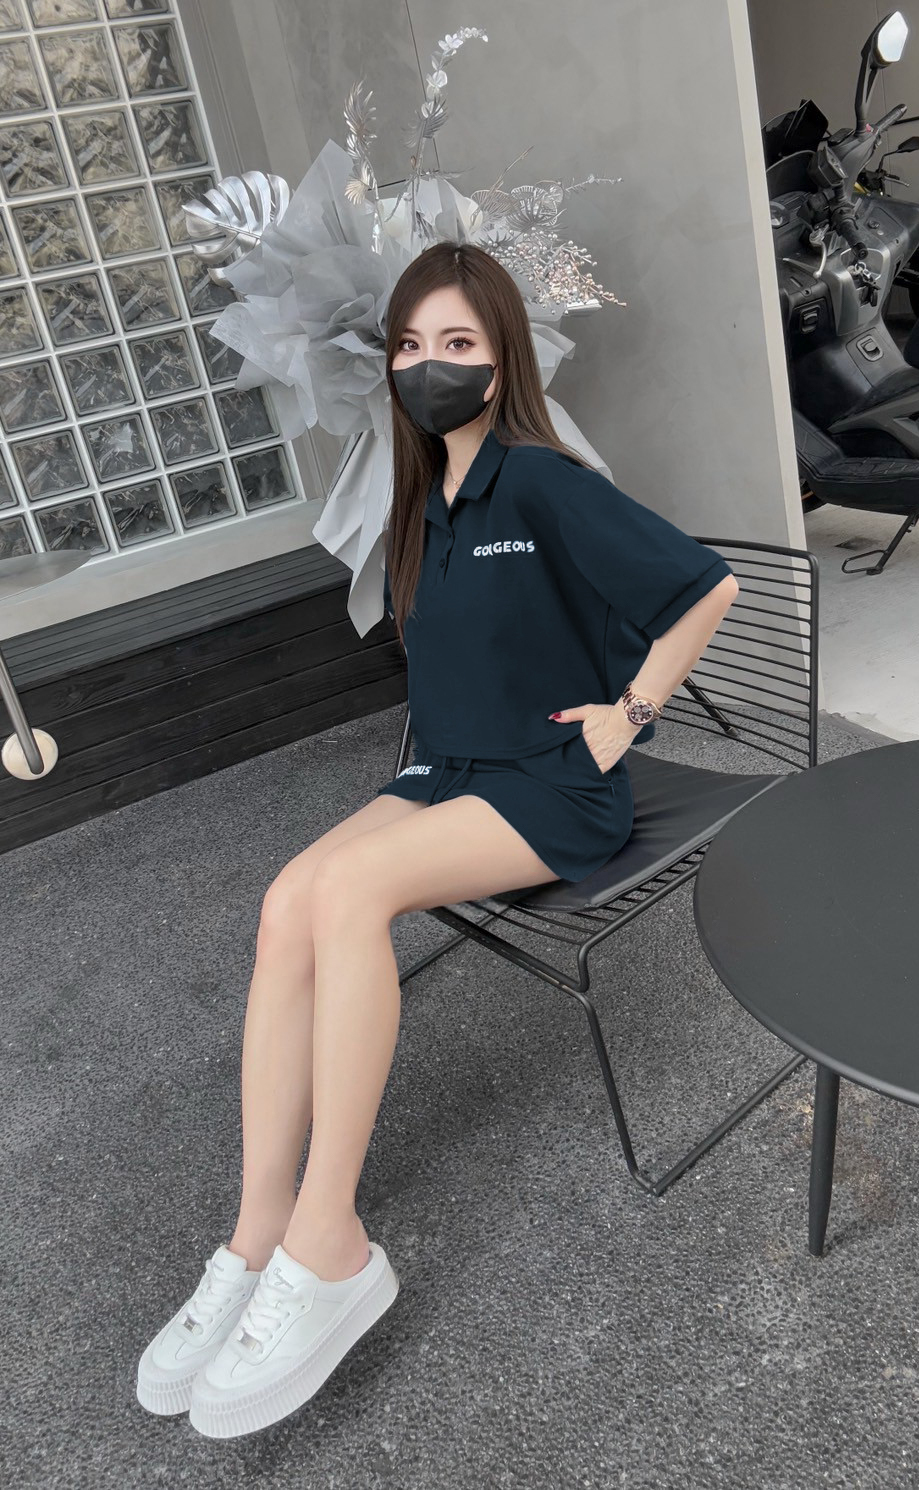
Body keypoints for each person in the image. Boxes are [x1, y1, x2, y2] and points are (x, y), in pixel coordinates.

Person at [137, 241, 738, 1438]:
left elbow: (702, 586)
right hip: (449, 772)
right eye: (410, 345)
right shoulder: (425, 497)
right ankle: (255, 1233)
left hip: (552, 786)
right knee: (288, 902)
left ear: (503, 356)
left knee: (352, 891)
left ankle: (331, 1240)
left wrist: (628, 715)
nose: (428, 366)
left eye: (457, 343)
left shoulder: (543, 480)